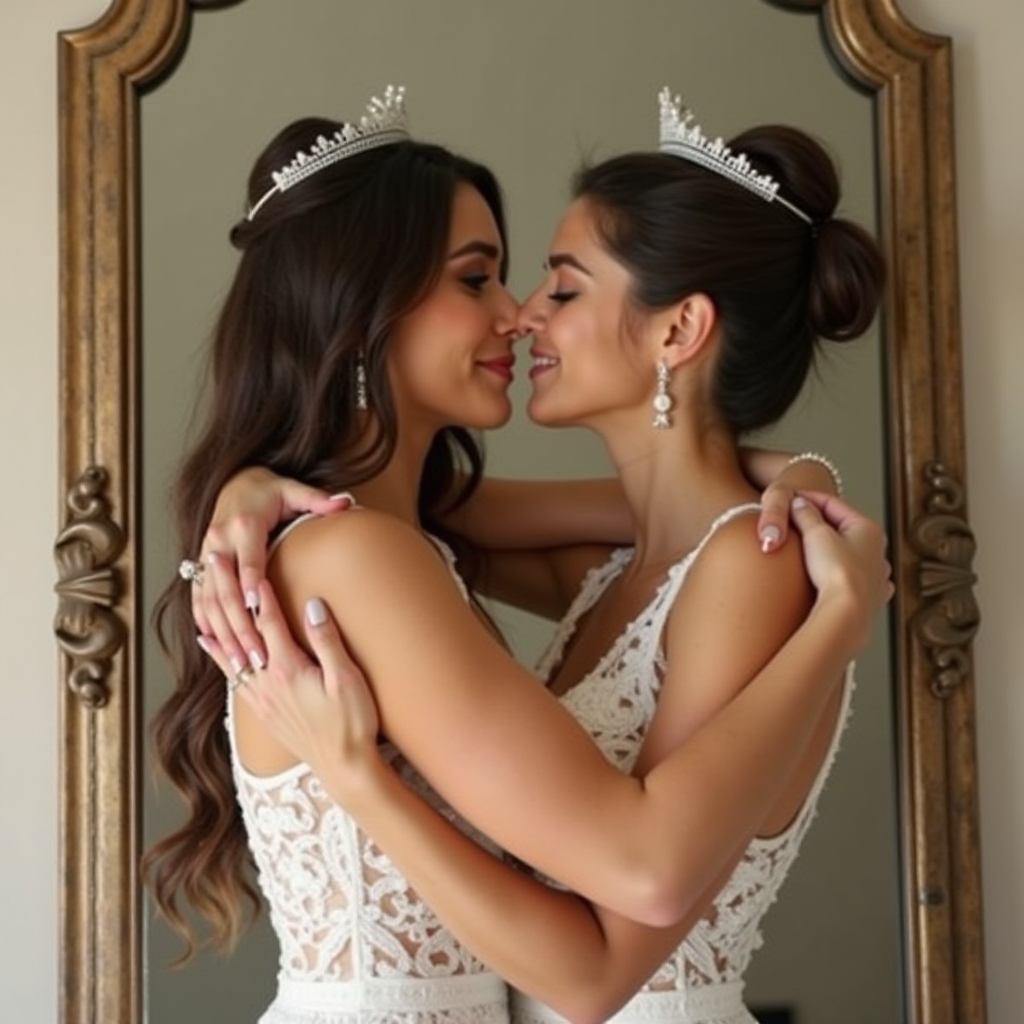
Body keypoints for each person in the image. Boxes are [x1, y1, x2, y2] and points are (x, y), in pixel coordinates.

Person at [146, 85, 890, 1024]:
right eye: (478, 279)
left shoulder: (418, 543)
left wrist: (807, 492)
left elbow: (672, 511)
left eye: (556, 287)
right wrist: (244, 487)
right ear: (367, 306)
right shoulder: (364, 552)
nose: (519, 315)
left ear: (678, 330)